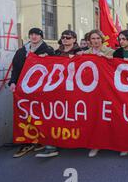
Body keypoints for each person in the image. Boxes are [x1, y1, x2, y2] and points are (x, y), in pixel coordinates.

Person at [35, 30, 82, 158]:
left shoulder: (80, 53)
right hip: (57, 90)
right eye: (63, 37)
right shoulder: (55, 52)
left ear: (74, 39)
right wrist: (45, 59)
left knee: (72, 116)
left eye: (68, 37)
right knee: (55, 116)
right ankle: (51, 146)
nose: (65, 39)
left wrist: (79, 59)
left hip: (75, 91)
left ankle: (76, 140)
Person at [9, 28, 54, 158]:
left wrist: (47, 58)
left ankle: (41, 139)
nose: (34, 37)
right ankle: (27, 140)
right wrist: (13, 82)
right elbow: (15, 69)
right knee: (25, 114)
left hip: (41, 89)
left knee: (41, 114)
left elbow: (55, 67)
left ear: (41, 37)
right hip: (23, 89)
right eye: (32, 34)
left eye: (37, 34)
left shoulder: (48, 50)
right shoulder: (21, 51)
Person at [83, 30, 114, 158]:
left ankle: (112, 141)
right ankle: (95, 144)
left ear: (102, 39)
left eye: (97, 38)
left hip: (106, 90)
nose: (95, 41)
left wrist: (107, 59)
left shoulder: (110, 52)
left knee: (107, 116)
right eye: (93, 38)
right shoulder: (86, 53)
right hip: (91, 90)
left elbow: (118, 64)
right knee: (93, 116)